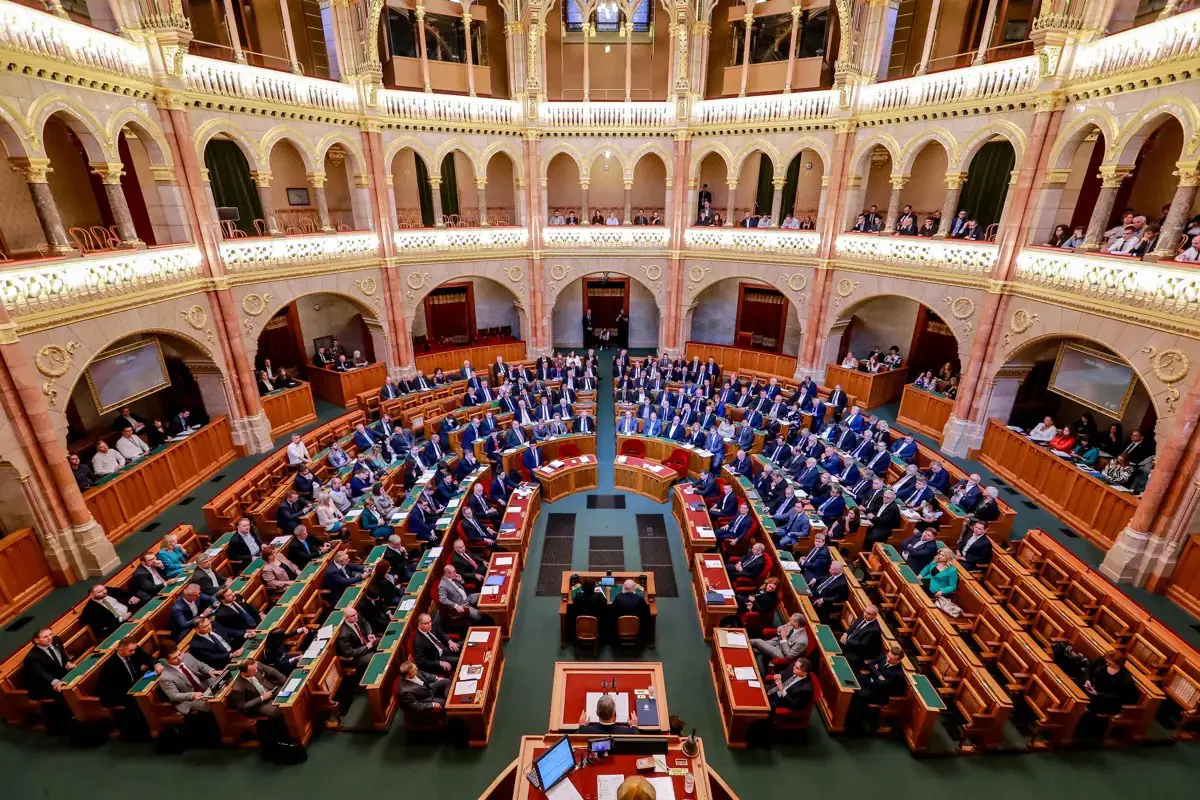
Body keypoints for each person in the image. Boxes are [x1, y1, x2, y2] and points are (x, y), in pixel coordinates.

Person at [157, 643, 218, 717]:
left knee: (222, 681)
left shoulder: (187, 656)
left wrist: (211, 671)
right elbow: (174, 696)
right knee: (212, 704)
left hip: (202, 685)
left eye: (179, 654)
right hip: (188, 699)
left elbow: (200, 665)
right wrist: (192, 695)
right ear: (166, 660)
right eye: (174, 658)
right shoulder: (165, 677)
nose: (180, 658)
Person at [840, 605, 883, 669]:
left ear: (875, 615)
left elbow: (861, 645)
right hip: (850, 643)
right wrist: (846, 634)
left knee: (840, 660)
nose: (865, 614)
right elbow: (853, 627)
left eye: (868, 613)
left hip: (858, 653)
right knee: (831, 644)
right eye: (865, 611)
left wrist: (847, 641)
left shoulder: (874, 630)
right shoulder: (862, 617)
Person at [336, 607, 377, 671]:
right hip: (356, 656)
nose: (356, 616)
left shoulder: (357, 616)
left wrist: (369, 634)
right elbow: (349, 653)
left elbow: (365, 623)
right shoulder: (344, 634)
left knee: (381, 642)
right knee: (372, 660)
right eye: (352, 616)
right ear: (346, 618)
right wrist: (366, 647)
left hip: (365, 642)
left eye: (356, 614)